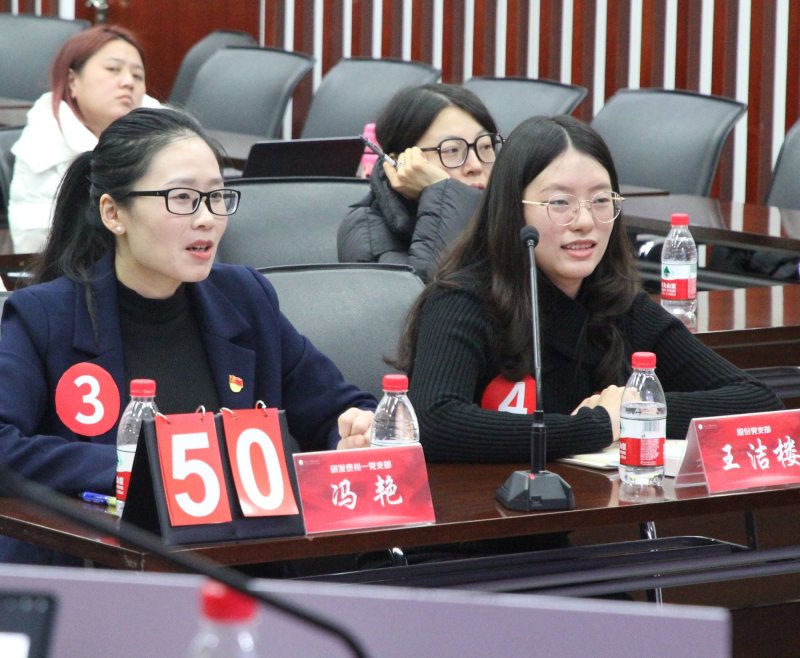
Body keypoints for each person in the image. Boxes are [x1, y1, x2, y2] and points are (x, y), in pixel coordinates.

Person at [0, 107, 375, 565]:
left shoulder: (244, 298)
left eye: (217, 197)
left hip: (242, 569)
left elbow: (337, 408)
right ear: (114, 213)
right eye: (182, 198)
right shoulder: (44, 316)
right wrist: (146, 468)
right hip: (105, 570)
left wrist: (353, 434)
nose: (207, 219)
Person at [395, 115, 783, 463]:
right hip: (488, 516)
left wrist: (636, 410)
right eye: (560, 202)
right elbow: (433, 421)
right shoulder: (462, 300)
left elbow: (758, 400)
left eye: (600, 200)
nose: (584, 221)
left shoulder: (621, 304)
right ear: (513, 210)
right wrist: (596, 426)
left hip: (602, 510)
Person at [8, 24, 161, 254]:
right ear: (73, 81)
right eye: (113, 69)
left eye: (137, 75)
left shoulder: (166, 139)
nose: (128, 82)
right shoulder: (43, 143)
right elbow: (34, 247)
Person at [338, 83, 502, 282]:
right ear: (400, 163)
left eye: (485, 146)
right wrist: (445, 193)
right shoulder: (366, 233)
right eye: (451, 150)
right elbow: (431, 292)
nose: (475, 165)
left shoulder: (511, 211)